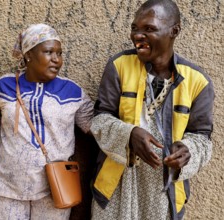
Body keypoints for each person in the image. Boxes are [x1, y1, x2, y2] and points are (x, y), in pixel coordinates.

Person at [90, 0, 214, 220]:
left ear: (174, 31)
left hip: (163, 191)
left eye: (149, 29)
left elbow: (202, 138)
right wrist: (129, 135)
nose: (138, 35)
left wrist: (188, 151)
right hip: (118, 186)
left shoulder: (198, 81)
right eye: (135, 28)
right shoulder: (119, 65)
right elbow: (99, 120)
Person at [0, 23, 94, 220]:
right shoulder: (3, 86)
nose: (57, 59)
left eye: (59, 53)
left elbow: (96, 129)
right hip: (8, 188)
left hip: (55, 189)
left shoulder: (72, 92)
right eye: (48, 52)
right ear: (28, 55)